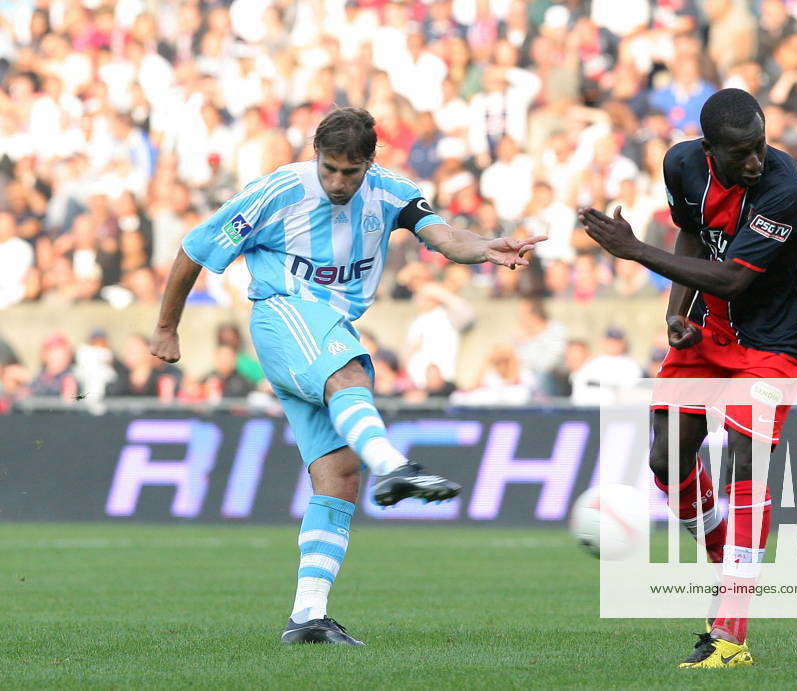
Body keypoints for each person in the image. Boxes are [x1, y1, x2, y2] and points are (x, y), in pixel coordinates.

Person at [150, 107, 543, 646]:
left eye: (350, 172)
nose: (338, 182)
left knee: (337, 474)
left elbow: (445, 236)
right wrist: (167, 327)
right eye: (329, 168)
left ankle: (308, 615)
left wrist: (488, 247)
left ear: (369, 163)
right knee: (350, 373)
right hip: (283, 312)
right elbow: (196, 247)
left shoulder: (391, 191)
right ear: (315, 156)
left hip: (329, 324)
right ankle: (396, 466)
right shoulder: (278, 192)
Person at [579, 89, 797, 669]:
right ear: (709, 149)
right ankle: (730, 563)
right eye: (741, 152)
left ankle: (730, 634)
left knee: (744, 460)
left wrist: (634, 251)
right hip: (712, 325)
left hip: (775, 335)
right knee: (666, 459)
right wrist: (677, 314)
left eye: (761, 145)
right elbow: (693, 234)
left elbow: (731, 279)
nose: (756, 161)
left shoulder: (784, 188)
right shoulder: (681, 165)